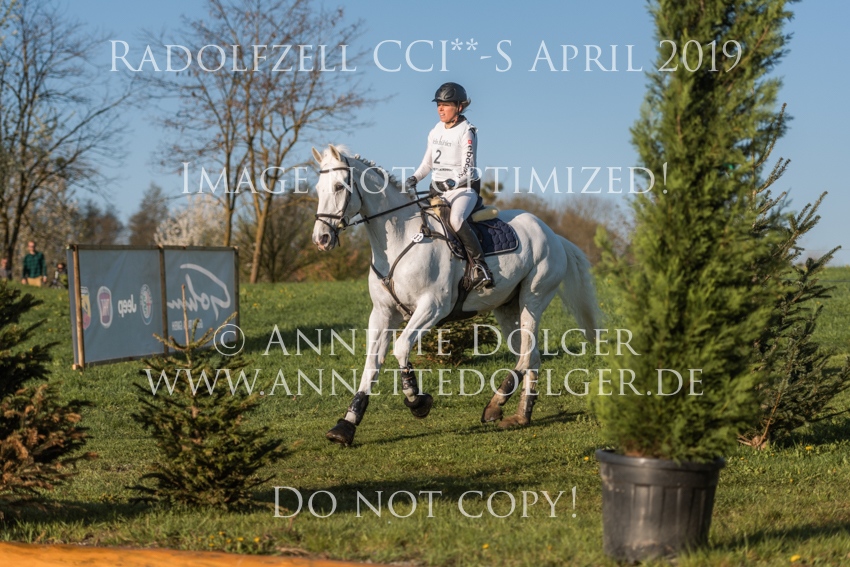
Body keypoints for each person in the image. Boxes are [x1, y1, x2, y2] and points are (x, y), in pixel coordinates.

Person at [405, 82, 493, 289]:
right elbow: (427, 163)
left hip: (463, 189)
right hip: (438, 190)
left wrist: (452, 182)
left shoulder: (467, 131)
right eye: (438, 105)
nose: (440, 109)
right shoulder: (436, 130)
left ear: (459, 107)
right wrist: (414, 178)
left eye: (446, 105)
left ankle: (480, 267)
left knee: (455, 219)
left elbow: (468, 169)